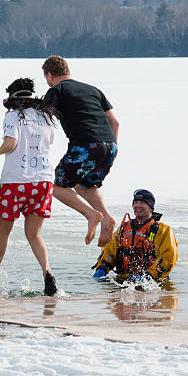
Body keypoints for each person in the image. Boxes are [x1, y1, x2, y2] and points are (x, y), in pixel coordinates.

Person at [0, 78, 59, 296]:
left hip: (15, 180)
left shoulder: (12, 116)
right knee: (34, 234)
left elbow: (11, 144)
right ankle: (47, 272)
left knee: (4, 229)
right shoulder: (47, 116)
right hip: (43, 180)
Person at [42, 55, 119, 247]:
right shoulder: (93, 89)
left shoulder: (56, 90)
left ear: (50, 75)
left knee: (56, 187)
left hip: (85, 145)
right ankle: (107, 218)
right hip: (110, 145)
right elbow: (115, 122)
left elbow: (43, 118)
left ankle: (91, 215)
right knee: (84, 186)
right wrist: (109, 148)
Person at [92, 189, 178, 283]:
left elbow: (168, 257)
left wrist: (148, 276)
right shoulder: (123, 229)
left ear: (151, 207)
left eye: (142, 203)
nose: (138, 206)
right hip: (124, 281)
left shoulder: (163, 230)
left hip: (154, 284)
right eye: (135, 202)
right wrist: (102, 267)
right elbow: (110, 250)